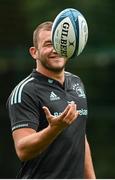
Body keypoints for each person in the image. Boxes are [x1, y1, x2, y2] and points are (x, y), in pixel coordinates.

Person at [7, 21, 96, 179]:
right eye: (48, 44)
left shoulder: (76, 82)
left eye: (59, 43)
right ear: (34, 52)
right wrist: (55, 128)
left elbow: (80, 137)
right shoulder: (25, 91)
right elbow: (23, 150)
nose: (56, 49)